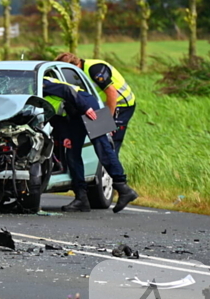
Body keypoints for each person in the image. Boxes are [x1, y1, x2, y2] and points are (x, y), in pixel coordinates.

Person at [42, 75, 139, 213]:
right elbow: (54, 116)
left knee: (102, 147)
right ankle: (81, 198)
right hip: (73, 113)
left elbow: (66, 90)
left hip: (87, 105)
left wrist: (86, 108)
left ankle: (123, 188)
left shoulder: (40, 82)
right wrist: (65, 135)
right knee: (72, 154)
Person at [56, 52, 136, 156]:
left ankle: (111, 165)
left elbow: (112, 93)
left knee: (109, 141)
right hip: (102, 106)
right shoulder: (79, 71)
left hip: (120, 104)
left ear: (73, 66)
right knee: (100, 141)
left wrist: (107, 121)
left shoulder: (94, 69)